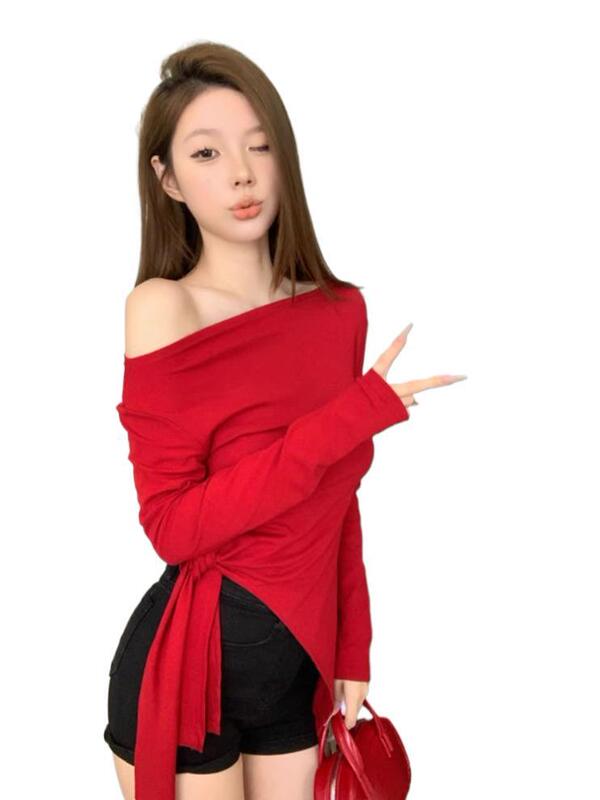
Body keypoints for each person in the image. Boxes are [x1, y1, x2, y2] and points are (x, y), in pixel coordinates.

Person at [103, 40, 466, 800]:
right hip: (194, 667)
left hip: (298, 662)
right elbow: (174, 526)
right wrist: (348, 419)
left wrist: (354, 647)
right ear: (167, 179)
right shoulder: (164, 308)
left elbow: (337, 499)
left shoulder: (339, 311)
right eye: (207, 153)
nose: (241, 173)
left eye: (260, 145)